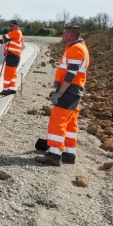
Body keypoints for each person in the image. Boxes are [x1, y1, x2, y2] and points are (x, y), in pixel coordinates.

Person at [36, 25, 90, 166]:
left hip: (69, 91)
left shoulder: (75, 49)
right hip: (74, 91)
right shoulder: (78, 47)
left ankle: (54, 154)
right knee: (70, 122)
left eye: (64, 34)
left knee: (58, 121)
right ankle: (68, 153)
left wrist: (60, 92)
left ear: (71, 36)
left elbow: (70, 74)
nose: (62, 36)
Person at [0, 21, 24, 95]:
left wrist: (5, 36)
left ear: (17, 26)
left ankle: (5, 89)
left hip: (12, 55)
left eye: (12, 26)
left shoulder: (16, 32)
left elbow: (5, 37)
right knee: (12, 73)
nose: (11, 27)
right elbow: (6, 40)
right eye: (10, 26)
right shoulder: (17, 34)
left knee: (8, 73)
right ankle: (12, 88)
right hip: (15, 56)